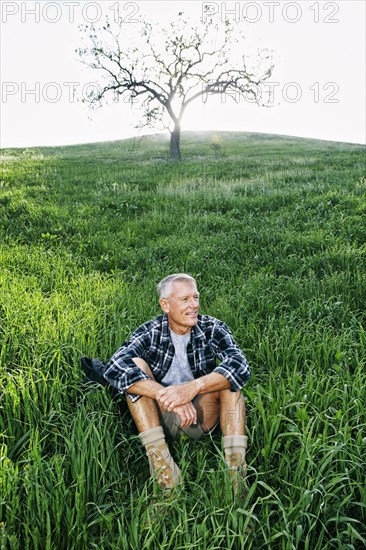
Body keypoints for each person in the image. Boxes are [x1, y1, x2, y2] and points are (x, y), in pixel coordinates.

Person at [103, 273, 251, 490]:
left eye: (196, 297)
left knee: (230, 383)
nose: (194, 305)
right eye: (185, 300)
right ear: (165, 305)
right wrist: (169, 395)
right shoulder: (152, 331)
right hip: (161, 417)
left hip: (200, 416)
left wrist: (191, 389)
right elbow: (115, 366)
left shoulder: (212, 327)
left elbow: (240, 365)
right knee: (136, 365)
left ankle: (236, 477)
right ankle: (164, 471)